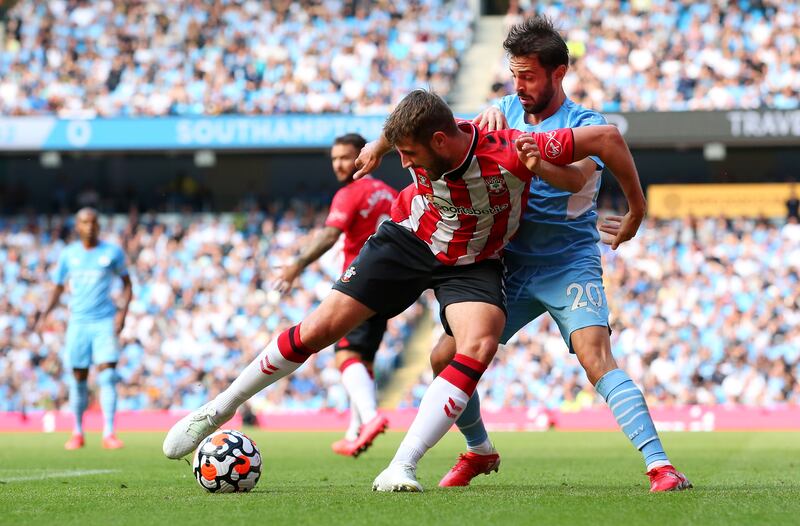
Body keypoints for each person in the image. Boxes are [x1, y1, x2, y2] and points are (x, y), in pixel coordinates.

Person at [163, 89, 641, 493]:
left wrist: (627, 204)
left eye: (409, 154)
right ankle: (218, 408)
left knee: (481, 337)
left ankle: (402, 465)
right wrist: (378, 144)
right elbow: (399, 130)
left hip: (472, 261)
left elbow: (598, 149)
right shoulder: (416, 134)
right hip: (411, 238)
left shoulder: (513, 146)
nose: (403, 161)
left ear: (439, 140)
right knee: (321, 327)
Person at [357, 16, 690, 493]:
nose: (519, 86)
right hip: (509, 263)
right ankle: (478, 450)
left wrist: (553, 171)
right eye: (514, 75)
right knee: (443, 356)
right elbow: (430, 125)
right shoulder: (502, 111)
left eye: (529, 76)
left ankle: (661, 467)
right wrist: (379, 141)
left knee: (596, 357)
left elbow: (577, 179)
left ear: (559, 73)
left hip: (568, 261)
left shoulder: (584, 124)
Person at [272, 133, 398, 457]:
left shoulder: (350, 192)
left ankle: (369, 418)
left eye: (346, 157)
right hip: (390, 284)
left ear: (364, 156)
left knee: (345, 355)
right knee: (363, 360)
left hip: (362, 283)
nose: (340, 164)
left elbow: (330, 234)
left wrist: (296, 264)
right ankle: (355, 431)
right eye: (335, 159)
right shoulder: (391, 194)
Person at [34, 208, 132, 449]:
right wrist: (44, 315)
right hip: (78, 323)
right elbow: (57, 288)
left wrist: (122, 313)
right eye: (85, 222)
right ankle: (77, 431)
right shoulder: (69, 254)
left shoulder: (112, 252)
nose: (90, 226)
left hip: (104, 322)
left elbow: (128, 285)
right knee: (79, 378)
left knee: (107, 375)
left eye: (94, 222)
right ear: (77, 226)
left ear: (99, 225)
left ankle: (109, 432)